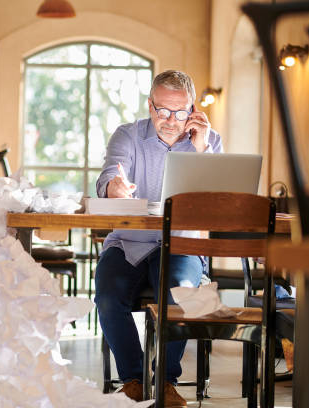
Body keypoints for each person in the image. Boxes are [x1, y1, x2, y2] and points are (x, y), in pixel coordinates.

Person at [94, 70, 223, 407]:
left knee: (180, 296)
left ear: (192, 109)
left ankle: (165, 381)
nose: (170, 120)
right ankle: (134, 380)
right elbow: (109, 174)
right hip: (129, 242)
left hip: (182, 243)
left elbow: (215, 201)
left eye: (180, 112)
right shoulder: (128, 135)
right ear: (149, 105)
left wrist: (201, 149)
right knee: (107, 298)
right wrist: (114, 188)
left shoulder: (210, 141)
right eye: (162, 110)